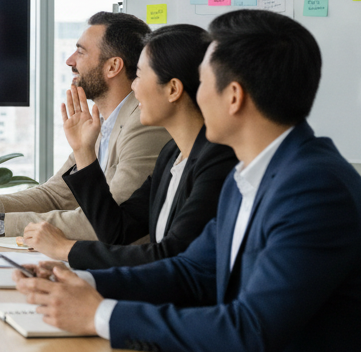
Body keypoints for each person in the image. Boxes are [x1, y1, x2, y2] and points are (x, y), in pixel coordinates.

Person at [15, 9, 361, 352]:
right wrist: (82, 282)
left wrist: (99, 316)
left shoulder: (313, 188)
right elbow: (192, 271)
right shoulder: (251, 173)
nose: (194, 95)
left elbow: (251, 329)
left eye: (202, 82)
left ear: (234, 96)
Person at [21, 24, 238, 268]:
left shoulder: (218, 161)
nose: (133, 87)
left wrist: (66, 249)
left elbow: (172, 256)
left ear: (173, 89)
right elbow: (117, 230)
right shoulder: (171, 155)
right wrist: (84, 151)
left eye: (140, 75)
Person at [0, 12, 169, 239]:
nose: (70, 60)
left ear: (113, 66)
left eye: (81, 51)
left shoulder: (143, 125)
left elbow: (107, 221)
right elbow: (57, 194)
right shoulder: (99, 122)